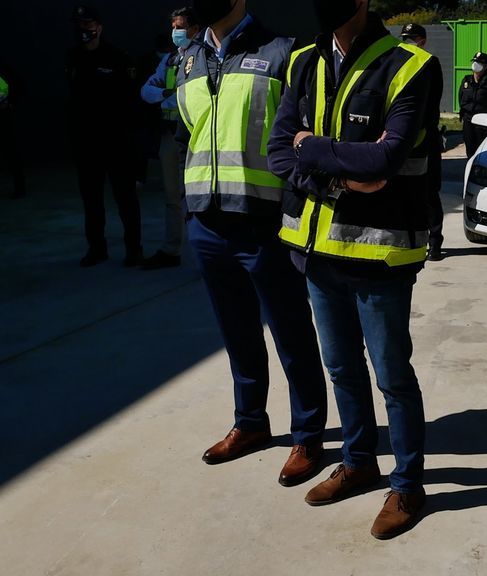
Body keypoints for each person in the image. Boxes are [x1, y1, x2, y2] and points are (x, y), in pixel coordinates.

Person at [268, 0, 436, 540]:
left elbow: (383, 162)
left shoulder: (411, 65)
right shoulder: (302, 62)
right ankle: (360, 462)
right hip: (317, 253)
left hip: (380, 255)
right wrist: (334, 177)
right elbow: (277, 150)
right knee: (341, 368)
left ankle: (407, 484)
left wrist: (311, 148)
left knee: (392, 377)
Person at [174, 0, 328, 487]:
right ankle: (251, 423)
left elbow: (303, 139)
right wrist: (190, 209)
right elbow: (189, 137)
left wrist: (292, 207)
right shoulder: (189, 60)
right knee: (237, 333)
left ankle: (308, 434)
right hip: (208, 225)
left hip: (265, 224)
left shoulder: (283, 53)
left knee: (291, 334)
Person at [67, 5, 142, 267]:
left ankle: (134, 249)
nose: (84, 29)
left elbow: (132, 101)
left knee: (125, 199)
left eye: (89, 24)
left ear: (99, 27)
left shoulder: (118, 58)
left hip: (116, 142)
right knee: (92, 201)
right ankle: (96, 248)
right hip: (87, 144)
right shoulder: (73, 57)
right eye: (80, 24)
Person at [139, 7, 201, 270]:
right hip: (170, 135)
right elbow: (146, 90)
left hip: (196, 138)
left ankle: (206, 254)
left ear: (195, 28)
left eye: (181, 26)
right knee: (172, 197)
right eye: (174, 27)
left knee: (200, 199)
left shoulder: (203, 58)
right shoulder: (170, 60)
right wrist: (168, 93)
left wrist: (170, 95)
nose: (176, 32)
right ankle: (171, 249)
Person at [400, 23, 445, 261]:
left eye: (413, 38)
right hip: (401, 141)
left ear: (423, 41)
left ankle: (435, 242)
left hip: (425, 140)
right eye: (405, 38)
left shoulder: (429, 64)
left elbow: (430, 106)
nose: (408, 42)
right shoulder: (395, 62)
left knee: (428, 193)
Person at [458, 51, 487, 157]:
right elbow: (461, 99)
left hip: (483, 124)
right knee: (470, 150)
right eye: (474, 62)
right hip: (468, 121)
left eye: (479, 63)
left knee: (482, 151)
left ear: (485, 66)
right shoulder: (466, 81)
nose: (475, 65)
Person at [0, 67, 26, 198]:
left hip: (4, 118)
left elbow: (18, 86)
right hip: (5, 116)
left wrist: (10, 103)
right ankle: (19, 188)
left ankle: (20, 188)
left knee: (11, 152)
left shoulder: (5, 72)